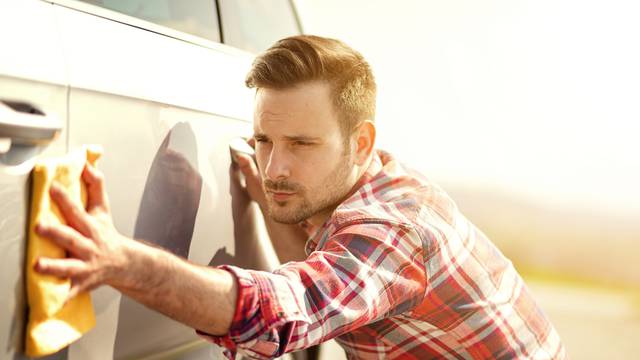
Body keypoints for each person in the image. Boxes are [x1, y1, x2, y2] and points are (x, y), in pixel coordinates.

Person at [35, 35, 565, 359]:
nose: (274, 167)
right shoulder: (369, 183)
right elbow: (326, 278)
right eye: (264, 140)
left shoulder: (391, 229)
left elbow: (286, 313)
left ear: (361, 142)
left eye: (302, 145)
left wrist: (119, 259)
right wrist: (273, 207)